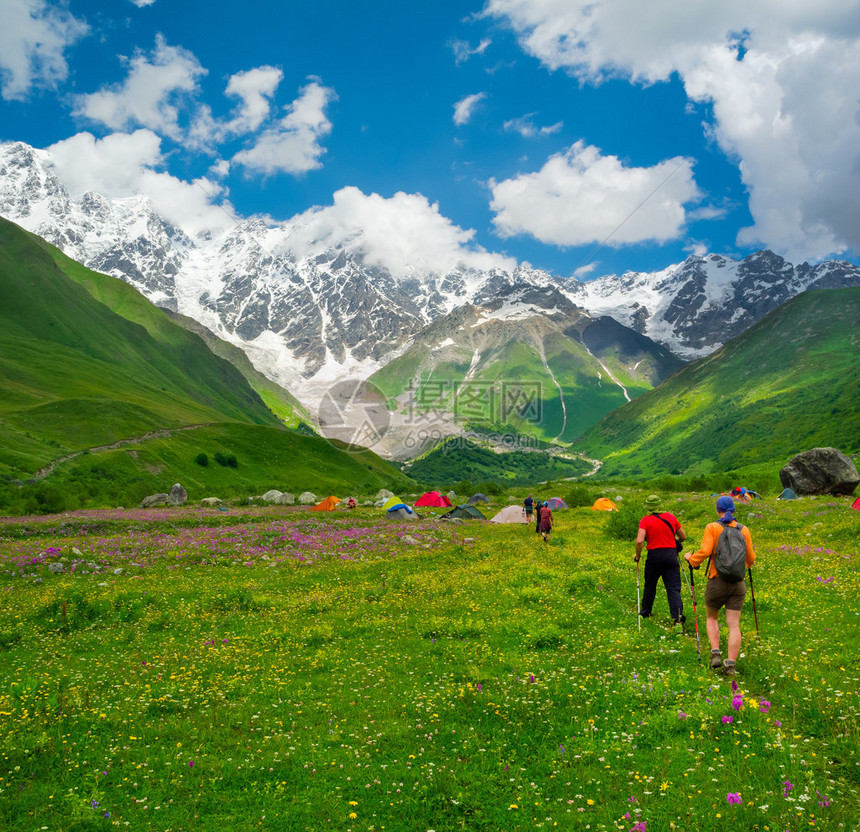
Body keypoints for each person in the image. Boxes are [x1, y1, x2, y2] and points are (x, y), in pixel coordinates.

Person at [685, 496, 757, 676]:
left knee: (712, 618)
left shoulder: (713, 527)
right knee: (734, 625)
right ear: (733, 509)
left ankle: (715, 653)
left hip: (717, 581)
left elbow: (705, 551)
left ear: (717, 510)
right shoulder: (743, 529)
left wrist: (690, 559)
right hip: (738, 584)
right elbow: (751, 559)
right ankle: (731, 665)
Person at [634, 494, 687, 626]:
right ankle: (677, 617)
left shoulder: (645, 520)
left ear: (648, 507)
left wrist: (638, 556)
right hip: (670, 555)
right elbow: (683, 536)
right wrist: (675, 543)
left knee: (650, 585)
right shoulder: (671, 517)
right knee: (673, 588)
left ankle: (646, 612)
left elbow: (640, 541)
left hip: (654, 556)